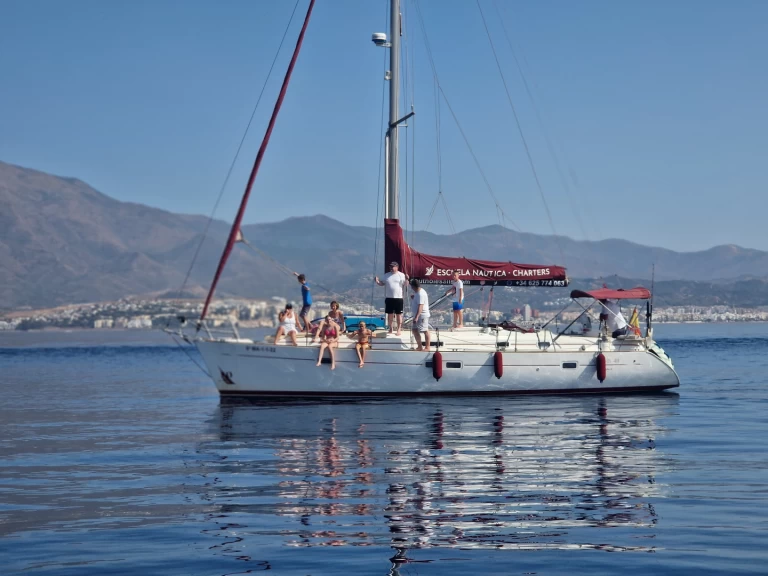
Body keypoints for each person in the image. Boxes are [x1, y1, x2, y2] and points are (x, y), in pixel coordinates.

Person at [374, 262, 407, 335]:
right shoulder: (386, 275)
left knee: (399, 314)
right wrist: (377, 281)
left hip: (398, 298)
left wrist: (407, 279)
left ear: (397, 267)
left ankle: (399, 329)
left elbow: (405, 284)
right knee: (390, 314)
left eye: (393, 267)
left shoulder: (401, 275)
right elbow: (382, 283)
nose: (391, 268)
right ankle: (390, 328)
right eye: (390, 267)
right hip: (389, 298)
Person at [409, 278, 431, 351]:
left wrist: (416, 317)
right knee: (415, 330)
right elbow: (418, 301)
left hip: (422, 316)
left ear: (414, 286)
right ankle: (420, 346)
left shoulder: (420, 294)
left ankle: (427, 347)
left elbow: (420, 306)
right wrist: (414, 298)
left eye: (411, 286)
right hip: (417, 315)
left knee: (425, 330)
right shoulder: (417, 292)